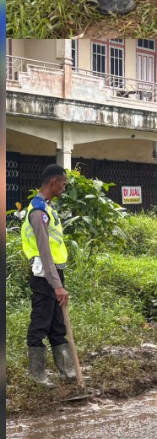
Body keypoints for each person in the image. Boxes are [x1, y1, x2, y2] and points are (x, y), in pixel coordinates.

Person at [21, 164, 76, 386]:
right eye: (63, 184)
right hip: (44, 276)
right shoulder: (38, 211)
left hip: (53, 275)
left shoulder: (47, 207)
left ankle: (69, 371)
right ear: (53, 182)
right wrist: (57, 285)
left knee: (58, 325)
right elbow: (44, 252)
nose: (64, 188)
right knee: (40, 324)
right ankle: (38, 376)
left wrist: (58, 282)